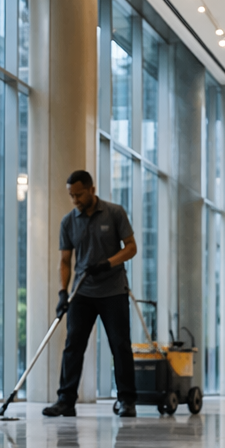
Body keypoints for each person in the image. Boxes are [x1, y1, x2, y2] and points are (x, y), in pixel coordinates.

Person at [44, 170, 138, 417]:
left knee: (120, 345)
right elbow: (65, 261)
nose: (75, 200)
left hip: (113, 290)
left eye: (79, 194)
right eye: (71, 196)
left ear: (91, 190)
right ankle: (65, 400)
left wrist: (108, 262)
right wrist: (62, 292)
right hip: (82, 292)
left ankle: (127, 400)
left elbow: (131, 248)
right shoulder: (68, 221)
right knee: (73, 345)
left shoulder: (114, 213)